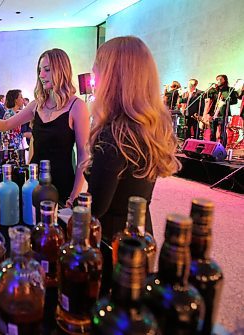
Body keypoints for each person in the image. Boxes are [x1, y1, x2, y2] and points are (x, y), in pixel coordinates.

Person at [85, 36, 180, 294]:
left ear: (114, 78)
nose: (94, 84)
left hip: (112, 246)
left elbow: (97, 207)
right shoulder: (149, 127)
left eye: (97, 74)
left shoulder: (114, 135)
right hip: (141, 232)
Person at [0, 48, 90, 205]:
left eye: (47, 70)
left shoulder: (77, 107)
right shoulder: (36, 105)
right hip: (33, 182)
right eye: (40, 70)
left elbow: (84, 157)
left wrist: (74, 195)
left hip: (62, 186)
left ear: (61, 70)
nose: (41, 75)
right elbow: (6, 125)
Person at [206, 74, 238, 143]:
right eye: (217, 79)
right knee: (212, 132)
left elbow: (235, 101)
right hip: (213, 113)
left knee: (222, 132)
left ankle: (222, 148)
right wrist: (211, 89)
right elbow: (207, 97)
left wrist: (225, 102)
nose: (219, 81)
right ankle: (212, 146)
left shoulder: (229, 90)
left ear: (225, 80)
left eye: (221, 79)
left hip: (223, 113)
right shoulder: (214, 90)